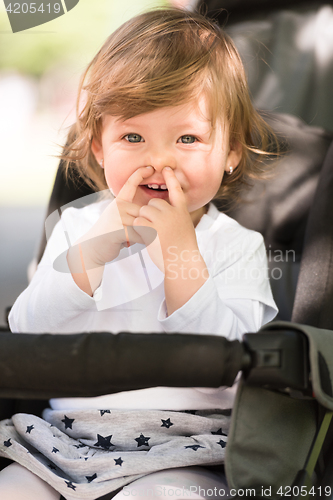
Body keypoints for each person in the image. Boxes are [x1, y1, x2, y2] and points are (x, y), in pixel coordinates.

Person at [0, 7, 278, 500]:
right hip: (63, 441)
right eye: (133, 136)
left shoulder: (238, 246)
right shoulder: (77, 226)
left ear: (231, 150)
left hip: (187, 448)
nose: (159, 159)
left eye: (188, 138)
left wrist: (180, 254)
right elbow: (27, 330)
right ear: (99, 147)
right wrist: (96, 249)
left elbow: (235, 363)